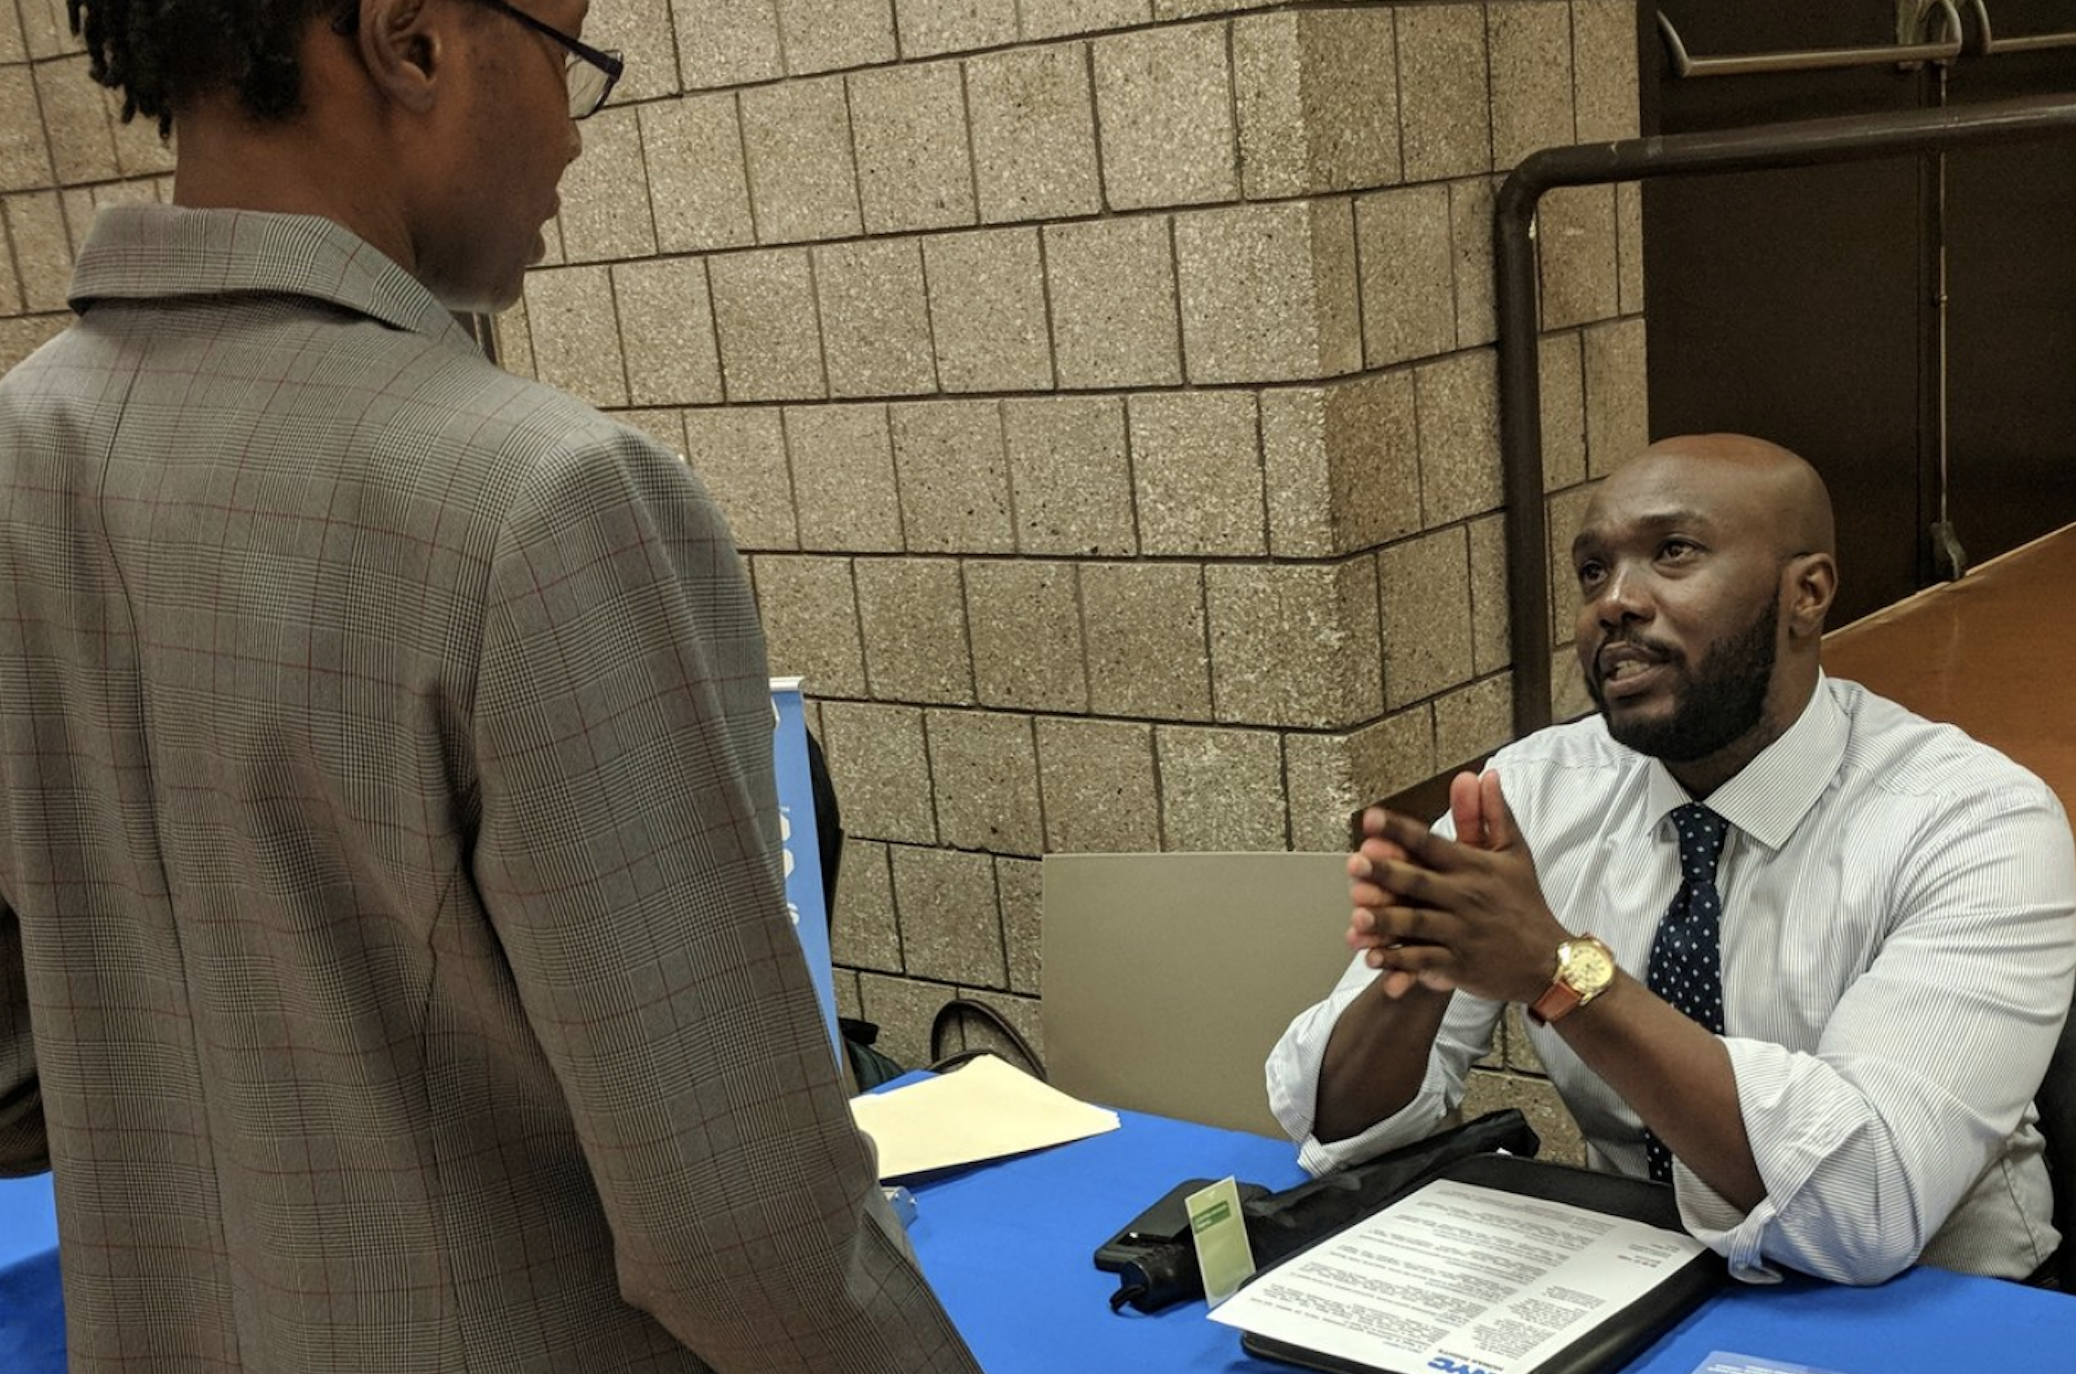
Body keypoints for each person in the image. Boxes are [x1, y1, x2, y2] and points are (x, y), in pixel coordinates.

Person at [0, 0, 977, 1369]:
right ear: (413, 41)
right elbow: (744, 1236)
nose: (576, 133)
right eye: (569, 53)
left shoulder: (16, 465)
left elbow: (17, 1086)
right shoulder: (541, 503)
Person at [1267, 434, 2076, 1287]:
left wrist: (1560, 973)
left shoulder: (1975, 821)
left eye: (1673, 553)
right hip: (1638, 1281)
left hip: (1945, 1307)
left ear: (1807, 593)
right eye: (1591, 570)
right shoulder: (1531, 793)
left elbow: (1866, 1206)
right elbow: (1341, 1130)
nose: (1613, 602)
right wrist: (1428, 960)